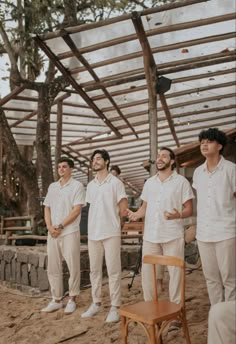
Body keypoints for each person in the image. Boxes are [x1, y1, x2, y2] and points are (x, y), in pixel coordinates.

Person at [128, 147, 194, 328]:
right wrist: (135, 215)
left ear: (172, 161)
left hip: (172, 234)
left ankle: (176, 314)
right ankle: (150, 310)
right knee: (147, 275)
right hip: (151, 236)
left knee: (176, 275)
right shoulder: (149, 183)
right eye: (158, 156)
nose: (159, 158)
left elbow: (189, 209)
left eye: (164, 156)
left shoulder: (181, 182)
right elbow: (144, 208)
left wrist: (177, 215)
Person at [81, 149, 128, 323]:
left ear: (107, 161)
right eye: (93, 159)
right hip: (94, 233)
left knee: (114, 270)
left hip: (111, 232)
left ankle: (115, 306)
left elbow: (123, 208)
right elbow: (90, 208)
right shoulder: (91, 185)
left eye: (98, 159)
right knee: (94, 270)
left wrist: (118, 224)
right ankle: (96, 303)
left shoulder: (116, 183)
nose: (95, 161)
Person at [193, 128, 236, 305]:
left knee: (230, 279)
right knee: (211, 279)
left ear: (219, 146)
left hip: (226, 231)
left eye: (209, 141)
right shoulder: (197, 172)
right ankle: (217, 314)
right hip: (203, 233)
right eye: (202, 141)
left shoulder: (231, 169)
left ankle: (231, 319)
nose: (204, 144)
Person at [41, 157, 85, 314]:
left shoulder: (77, 186)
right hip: (53, 233)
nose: (61, 169)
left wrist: (60, 226)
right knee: (53, 266)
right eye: (59, 166)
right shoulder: (52, 186)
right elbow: (47, 208)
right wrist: (49, 227)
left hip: (70, 231)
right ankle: (57, 299)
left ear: (71, 169)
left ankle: (72, 299)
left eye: (64, 166)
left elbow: (76, 209)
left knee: (73, 266)